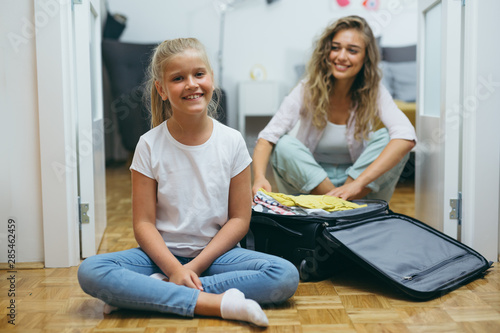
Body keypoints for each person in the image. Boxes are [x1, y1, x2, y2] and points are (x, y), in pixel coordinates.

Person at [78, 38, 299, 327]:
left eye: (199, 74)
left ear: (211, 79)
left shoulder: (232, 142)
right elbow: (143, 223)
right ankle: (217, 304)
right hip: (159, 257)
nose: (191, 84)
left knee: (284, 275)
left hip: (218, 256)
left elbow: (239, 220)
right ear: (162, 89)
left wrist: (192, 268)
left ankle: (148, 293)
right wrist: (173, 268)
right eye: (178, 78)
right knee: (91, 270)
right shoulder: (148, 145)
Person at [252, 16, 417, 202]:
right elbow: (267, 137)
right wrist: (259, 177)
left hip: (358, 182)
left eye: (352, 50)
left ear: (366, 57)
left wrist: (357, 184)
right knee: (284, 145)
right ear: (326, 51)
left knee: (390, 138)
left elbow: (407, 136)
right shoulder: (307, 87)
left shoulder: (375, 90)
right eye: (335, 47)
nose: (341, 56)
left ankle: (336, 207)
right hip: (312, 181)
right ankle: (344, 208)